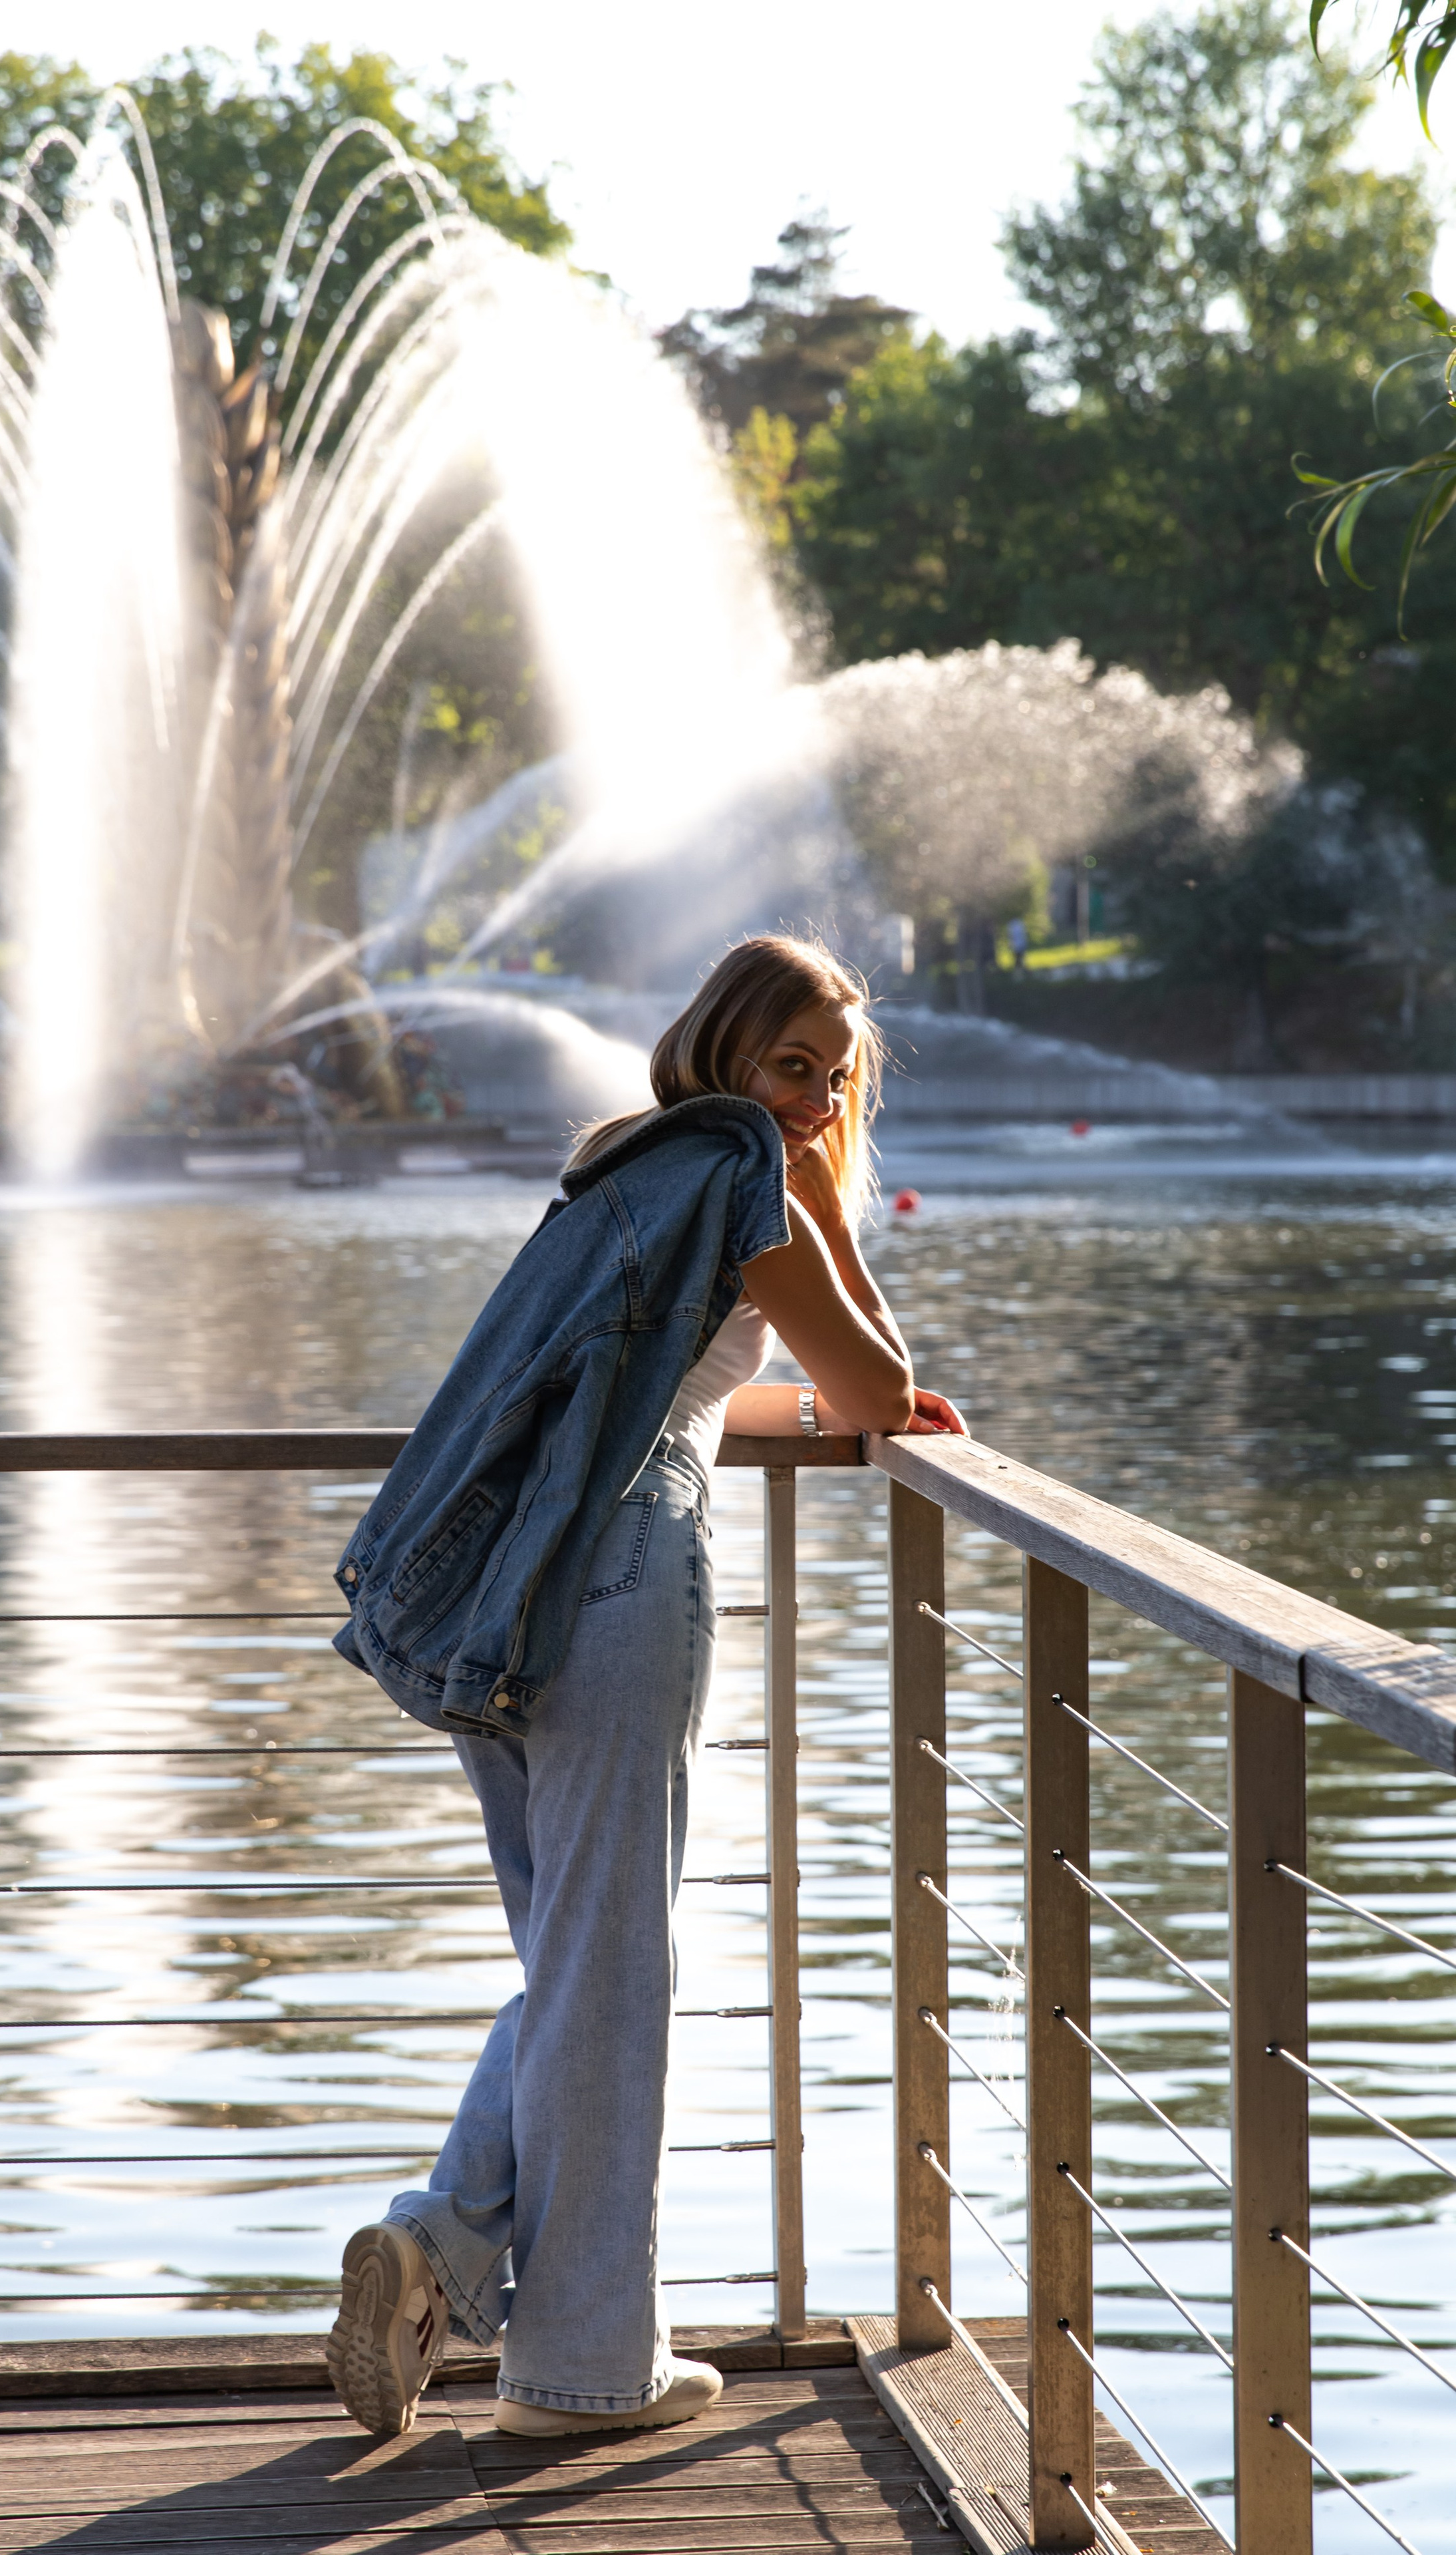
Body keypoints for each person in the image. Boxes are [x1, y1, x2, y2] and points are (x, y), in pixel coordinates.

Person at [325, 934, 966, 2441]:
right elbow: (877, 1387)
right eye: (788, 1065)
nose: (810, 1099)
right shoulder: (746, 1168)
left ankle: (442, 2251)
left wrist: (795, 1313)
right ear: (724, 1053)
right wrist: (824, 1211)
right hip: (623, 1580)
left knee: (577, 1958)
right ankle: (583, 2373)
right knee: (613, 1972)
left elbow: (661, 1370)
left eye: (834, 1077)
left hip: (514, 1590)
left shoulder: (633, 1162)